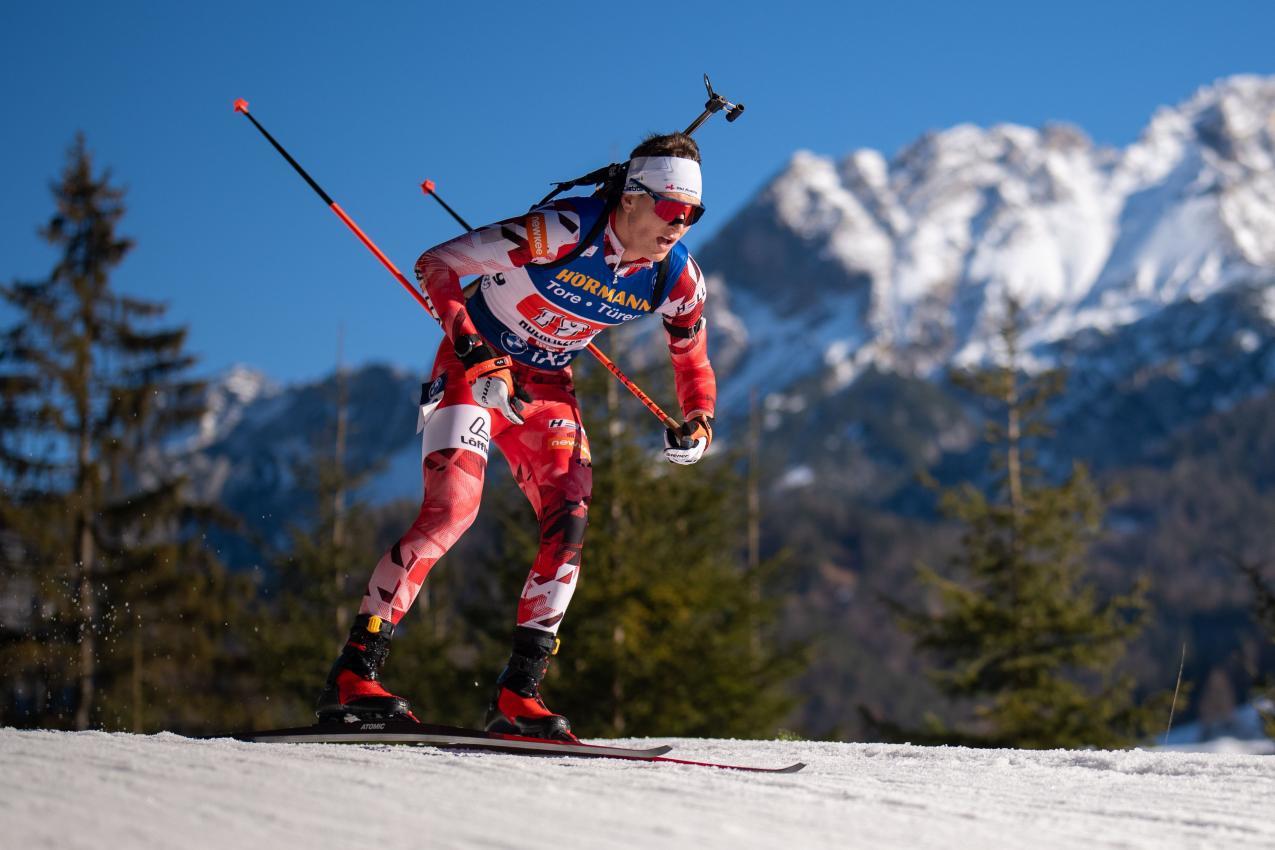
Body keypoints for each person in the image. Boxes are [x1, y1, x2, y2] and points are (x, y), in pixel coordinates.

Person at [314, 133, 716, 741]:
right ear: (631, 199)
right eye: (669, 209)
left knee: (570, 520)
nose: (679, 225)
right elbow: (438, 264)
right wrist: (475, 352)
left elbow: (692, 361)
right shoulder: (560, 231)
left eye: (692, 214)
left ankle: (519, 693)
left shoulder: (678, 280)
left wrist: (701, 420)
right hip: (472, 366)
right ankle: (355, 675)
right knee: (452, 511)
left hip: (546, 386)